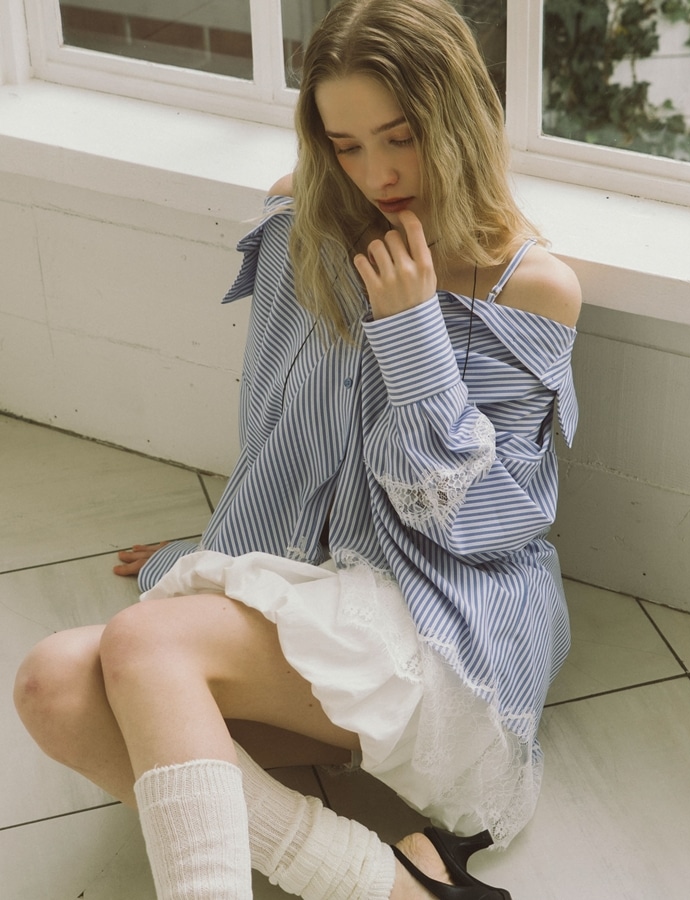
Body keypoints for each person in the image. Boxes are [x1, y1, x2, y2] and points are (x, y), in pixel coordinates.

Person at [14, 1, 581, 898]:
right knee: (51, 685)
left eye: (400, 138)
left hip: (442, 622)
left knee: (148, 645)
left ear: (458, 119)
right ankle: (383, 884)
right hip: (321, 600)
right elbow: (278, 425)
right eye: (345, 145)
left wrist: (413, 332)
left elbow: (486, 528)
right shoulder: (304, 219)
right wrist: (216, 563)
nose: (376, 173)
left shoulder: (530, 284)